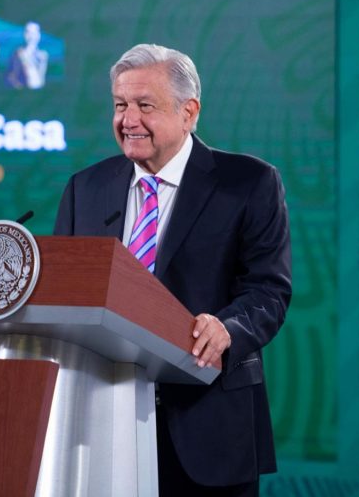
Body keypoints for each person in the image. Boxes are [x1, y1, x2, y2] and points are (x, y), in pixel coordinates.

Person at [54, 43, 292, 496]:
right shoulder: (85, 188)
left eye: (145, 106)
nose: (128, 119)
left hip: (207, 427)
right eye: (120, 105)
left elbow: (269, 292)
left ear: (189, 112)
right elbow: (66, 293)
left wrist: (226, 329)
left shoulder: (249, 183)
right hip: (100, 426)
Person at [6, 21, 48, 89]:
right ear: (25, 35)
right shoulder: (18, 54)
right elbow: (11, 77)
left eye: (34, 33)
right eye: (28, 32)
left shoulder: (43, 55)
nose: (31, 36)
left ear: (39, 35)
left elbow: (42, 79)